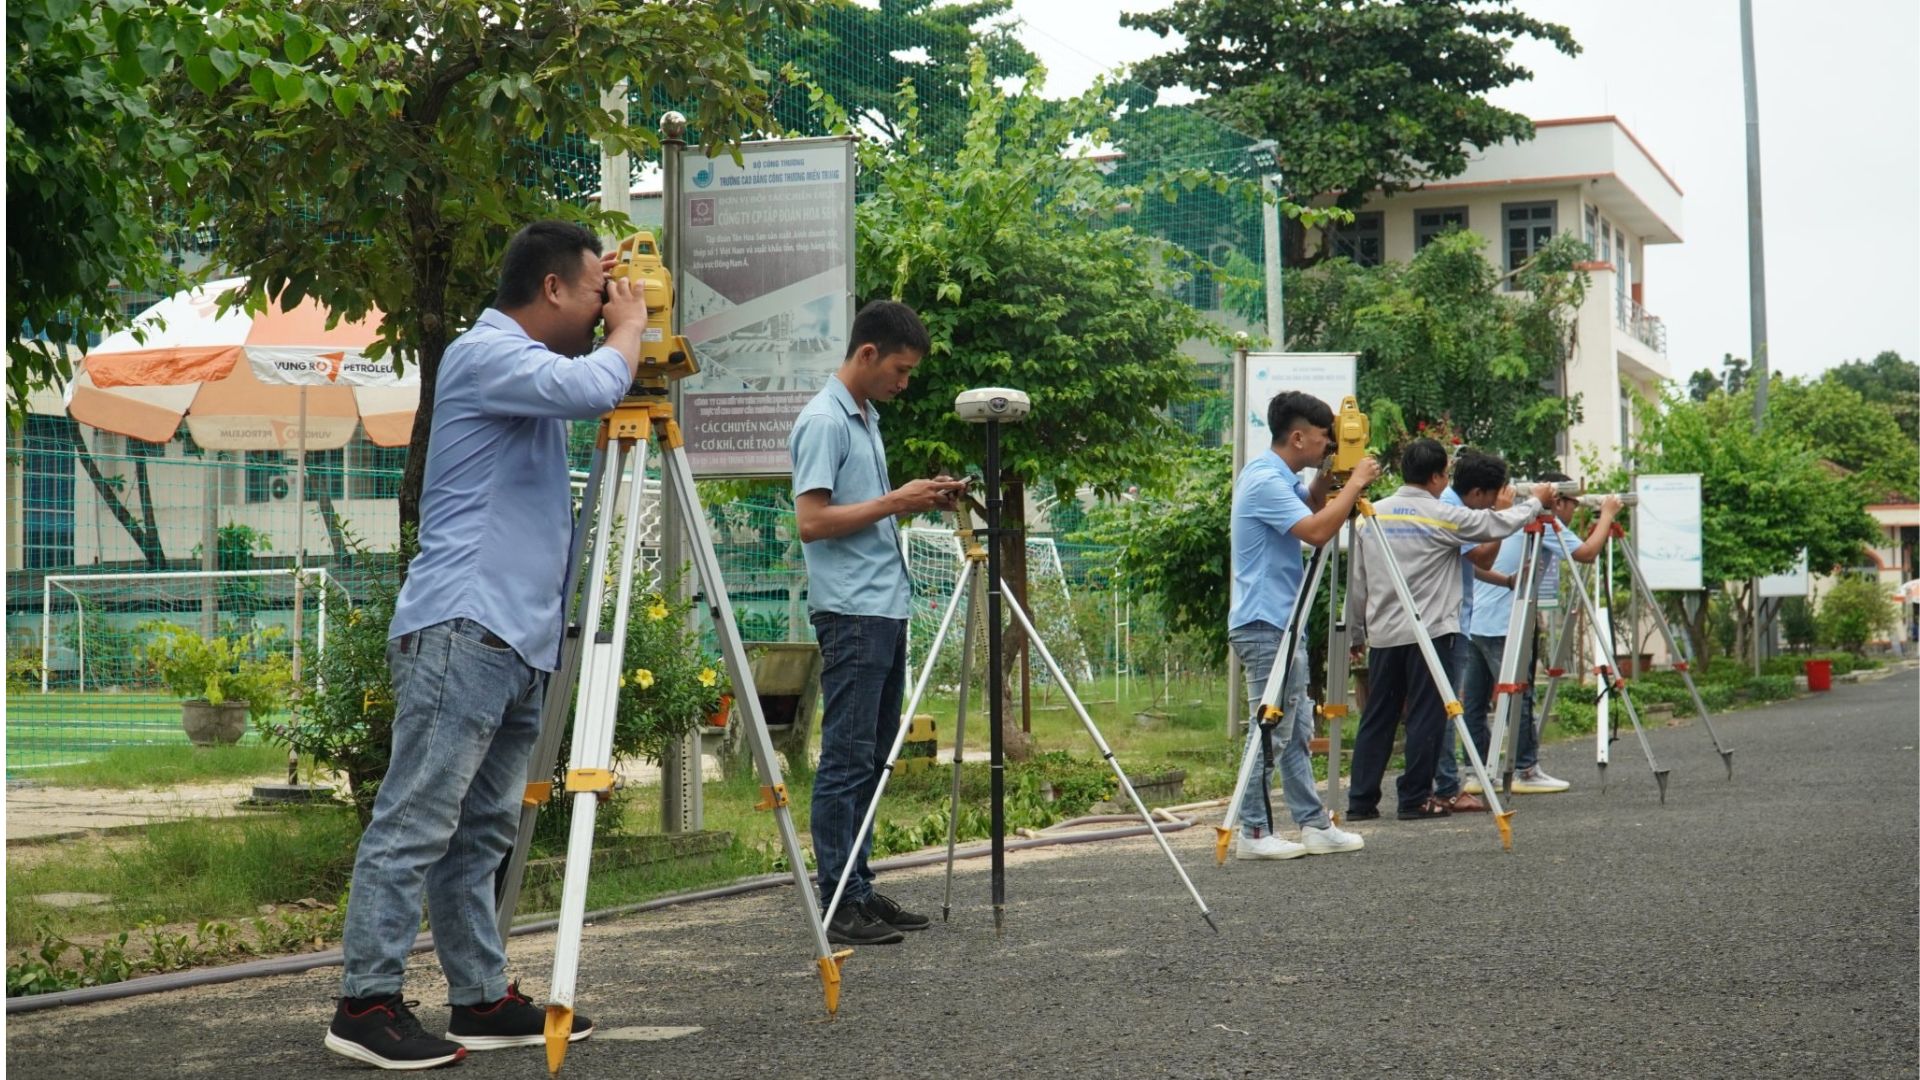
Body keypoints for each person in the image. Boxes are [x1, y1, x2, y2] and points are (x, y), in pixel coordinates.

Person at [328, 221, 646, 1069]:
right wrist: (632, 327)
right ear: (550, 290)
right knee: (417, 820)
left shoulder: (531, 372)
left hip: (516, 638)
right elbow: (595, 387)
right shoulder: (483, 353)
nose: (602, 306)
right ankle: (365, 1000)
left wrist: (613, 320)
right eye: (592, 291)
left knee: (479, 837)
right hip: (465, 627)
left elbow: (584, 383)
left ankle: (480, 997)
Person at [790, 300, 967, 944]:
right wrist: (897, 499)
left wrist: (918, 500)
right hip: (852, 612)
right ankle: (837, 902)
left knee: (870, 759)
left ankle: (858, 888)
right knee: (845, 758)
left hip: (884, 607)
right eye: (900, 368)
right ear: (867, 355)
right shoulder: (824, 421)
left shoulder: (865, 417)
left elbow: (863, 515)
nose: (904, 381)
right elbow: (811, 522)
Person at [1345, 439, 1550, 821]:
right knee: (1427, 715)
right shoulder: (1442, 515)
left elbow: (1358, 581)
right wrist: (1535, 500)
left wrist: (1356, 634)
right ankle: (1415, 798)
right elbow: (1499, 522)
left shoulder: (1371, 515)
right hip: (1433, 632)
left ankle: (1360, 801)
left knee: (1378, 716)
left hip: (1385, 633)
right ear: (1438, 476)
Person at [1226, 391, 1379, 859]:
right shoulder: (1263, 481)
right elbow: (1316, 532)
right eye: (1321, 439)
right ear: (1297, 437)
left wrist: (1331, 477)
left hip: (1281, 621)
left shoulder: (1278, 475)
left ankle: (1312, 824)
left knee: (1292, 726)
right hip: (1264, 622)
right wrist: (1353, 484)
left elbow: (1312, 507)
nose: (1328, 444)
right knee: (1269, 726)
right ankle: (1253, 833)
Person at [1459, 474, 1622, 794]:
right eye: (1573, 504)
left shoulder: (1508, 515)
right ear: (1557, 501)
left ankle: (1477, 771)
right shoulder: (1543, 522)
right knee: (1518, 695)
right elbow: (1588, 552)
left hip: (1474, 620)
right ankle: (1525, 769)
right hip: (1507, 622)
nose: (1574, 512)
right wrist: (1607, 515)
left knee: (1474, 703)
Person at [1431, 448, 1515, 812]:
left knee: (1449, 705)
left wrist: (1504, 581)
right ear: (1480, 493)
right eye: (1493, 497)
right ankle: (1448, 785)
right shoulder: (1456, 512)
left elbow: (1467, 563)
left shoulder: (1452, 504)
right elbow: (1482, 555)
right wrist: (1502, 518)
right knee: (1449, 706)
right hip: (1446, 623)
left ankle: (1439, 783)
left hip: (1450, 620)